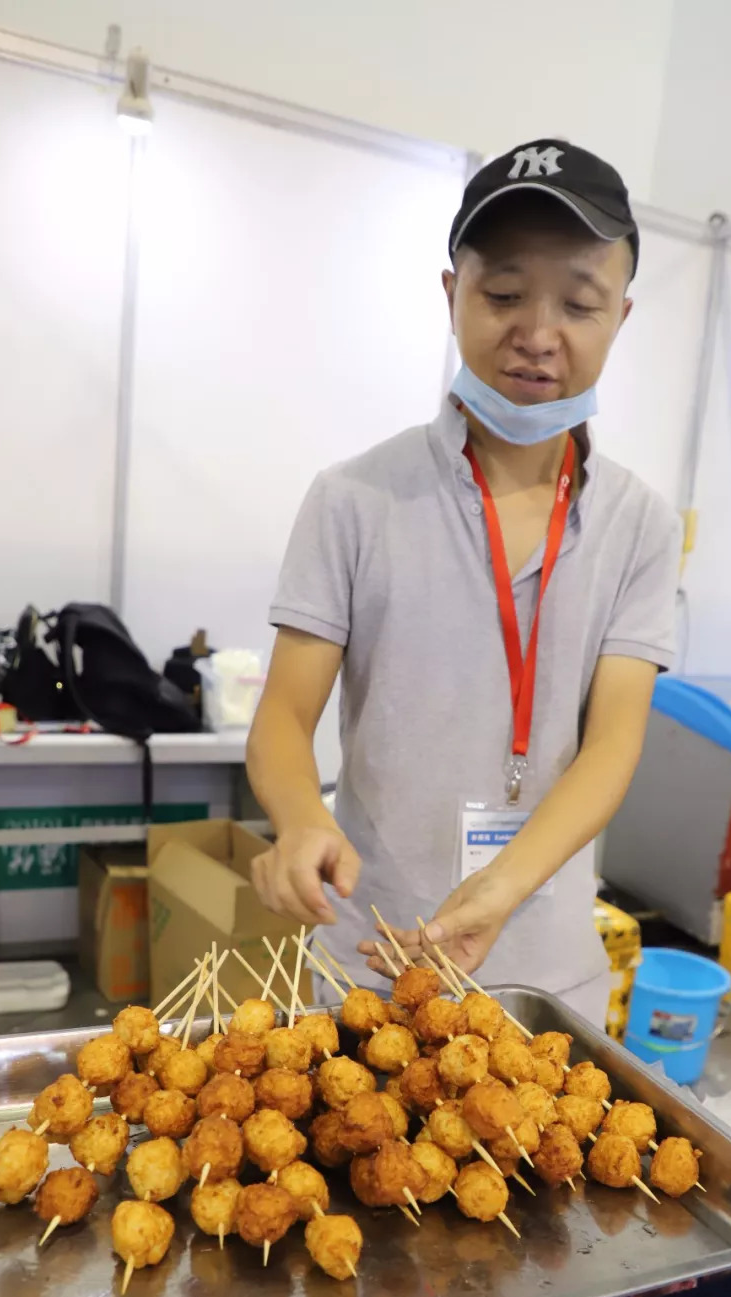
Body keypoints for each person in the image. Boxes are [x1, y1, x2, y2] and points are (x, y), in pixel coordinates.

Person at [246, 139, 682, 1026]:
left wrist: (503, 885)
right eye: (505, 293)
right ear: (452, 295)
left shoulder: (641, 525)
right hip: (369, 965)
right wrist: (299, 818)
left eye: (579, 303)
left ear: (621, 318)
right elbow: (284, 719)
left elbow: (612, 744)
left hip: (547, 980)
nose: (536, 333)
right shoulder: (355, 499)